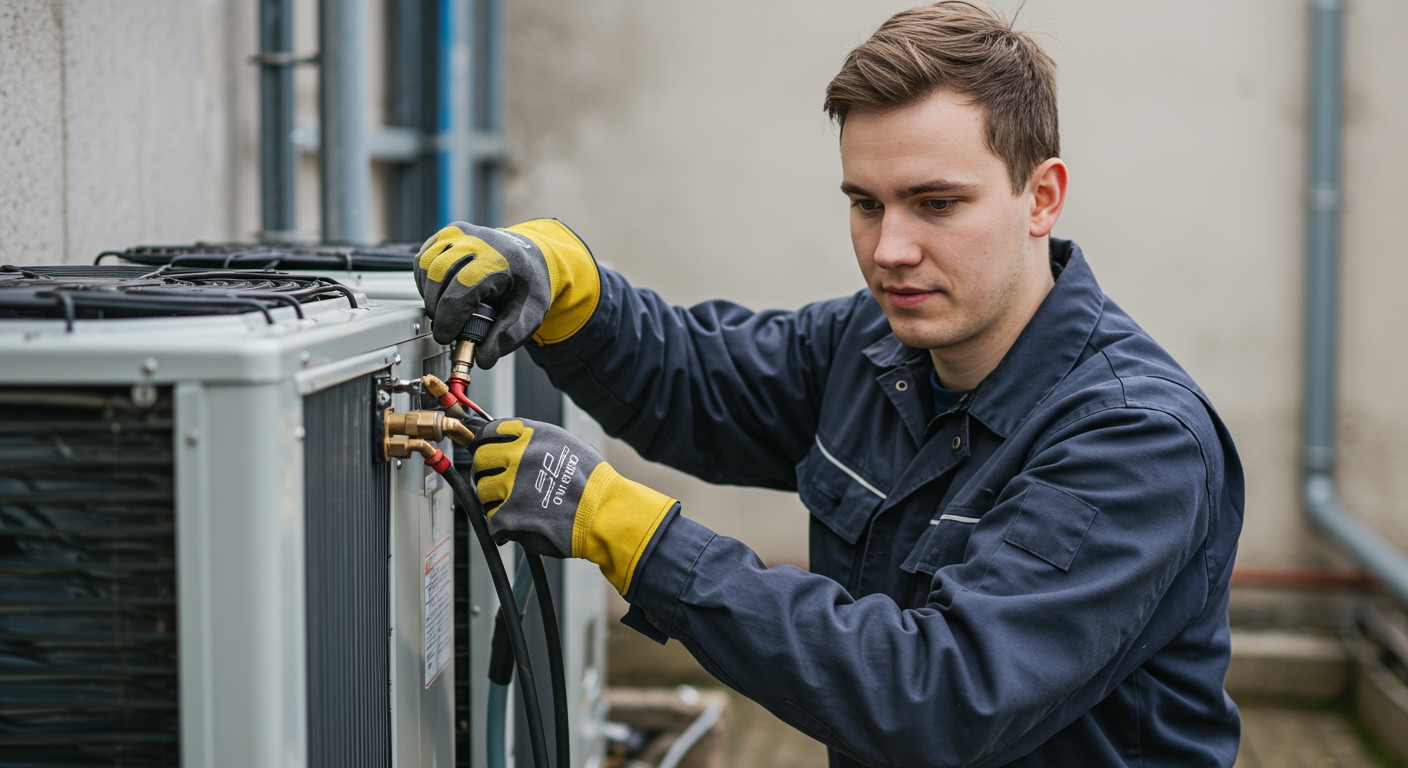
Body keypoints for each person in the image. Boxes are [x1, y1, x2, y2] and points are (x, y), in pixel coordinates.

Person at [413, 3, 1244, 765]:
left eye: (936, 204)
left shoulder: (1134, 440)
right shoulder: (873, 346)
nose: (890, 250)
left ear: (1042, 197)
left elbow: (938, 695)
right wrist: (574, 289)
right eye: (866, 204)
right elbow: (699, 384)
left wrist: (633, 535)